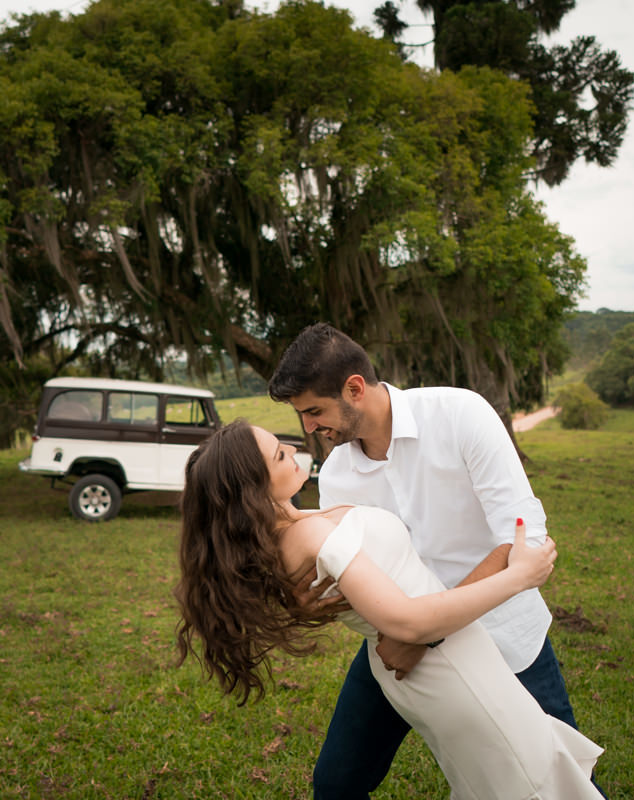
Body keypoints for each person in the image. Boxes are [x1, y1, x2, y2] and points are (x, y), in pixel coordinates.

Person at [174, 420, 604, 799]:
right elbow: (408, 622)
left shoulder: (296, 525)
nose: (293, 447)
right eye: (279, 455)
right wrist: (519, 577)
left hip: (453, 656)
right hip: (447, 666)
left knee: (517, 768)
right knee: (526, 776)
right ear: (254, 487)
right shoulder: (306, 538)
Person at [266, 323, 605, 799]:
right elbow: (352, 572)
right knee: (337, 782)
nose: (308, 428)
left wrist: (424, 635)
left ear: (355, 389)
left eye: (314, 411)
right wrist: (310, 602)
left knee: (563, 778)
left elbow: (523, 536)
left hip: (502, 635)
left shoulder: (459, 414)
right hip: (394, 648)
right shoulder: (339, 472)